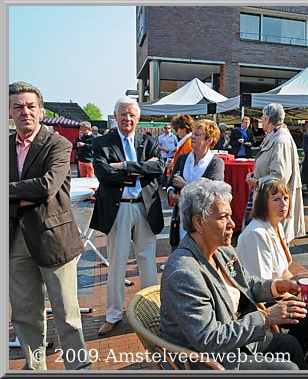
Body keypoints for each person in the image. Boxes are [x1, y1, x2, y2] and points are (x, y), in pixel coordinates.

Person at [160, 178, 308, 370]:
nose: (232, 223)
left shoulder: (222, 250)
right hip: (205, 361)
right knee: (287, 368)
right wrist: (265, 317)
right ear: (199, 222)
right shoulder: (183, 272)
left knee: (291, 345)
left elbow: (248, 284)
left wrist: (279, 286)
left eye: (230, 216)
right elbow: (209, 339)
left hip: (235, 340)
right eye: (223, 217)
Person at [9, 81, 90, 370]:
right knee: (24, 313)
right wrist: (23, 196)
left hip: (53, 238)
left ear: (40, 111)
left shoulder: (58, 143)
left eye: (30, 106)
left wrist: (9, 191)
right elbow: (36, 192)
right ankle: (35, 368)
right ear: (9, 111)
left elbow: (47, 187)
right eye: (17, 106)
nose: (24, 112)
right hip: (15, 239)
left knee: (67, 314)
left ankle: (79, 368)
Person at [91, 96, 165, 335]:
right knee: (117, 263)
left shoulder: (148, 141)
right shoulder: (103, 142)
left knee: (148, 262)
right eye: (123, 114)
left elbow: (159, 169)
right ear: (115, 116)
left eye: (132, 114)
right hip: (119, 207)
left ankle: (152, 310)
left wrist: (123, 166)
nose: (128, 118)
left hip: (145, 207)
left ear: (139, 117)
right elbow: (104, 174)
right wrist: (141, 169)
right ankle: (113, 314)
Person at [236, 178, 308, 354]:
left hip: (276, 291)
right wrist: (296, 299)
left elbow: (283, 270)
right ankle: (291, 355)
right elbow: (262, 288)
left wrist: (301, 288)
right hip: (261, 301)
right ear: (263, 202)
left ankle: (304, 350)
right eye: (276, 199)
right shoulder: (256, 234)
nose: (283, 203)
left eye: (285, 198)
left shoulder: (276, 226)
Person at [245, 103, 305, 242]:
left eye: (262, 117)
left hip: (276, 206)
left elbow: (279, 177)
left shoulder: (280, 140)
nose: (261, 120)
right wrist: (255, 175)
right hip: (271, 204)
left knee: (275, 248)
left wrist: (257, 182)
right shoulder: (275, 136)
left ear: (267, 119)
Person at [167, 119, 225, 241]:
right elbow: (170, 182)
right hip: (182, 218)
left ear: (209, 140)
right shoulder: (182, 158)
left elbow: (212, 192)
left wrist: (185, 185)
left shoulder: (216, 163)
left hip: (204, 222)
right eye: (193, 133)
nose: (192, 137)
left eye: (197, 135)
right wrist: (171, 193)